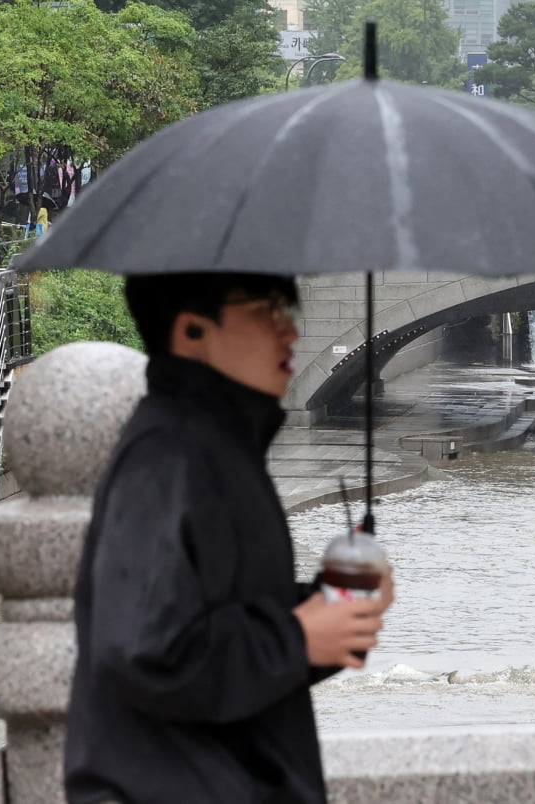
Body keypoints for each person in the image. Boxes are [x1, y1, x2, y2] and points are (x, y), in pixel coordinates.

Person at [65, 272, 395, 804]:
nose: (290, 332)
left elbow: (222, 617)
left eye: (289, 311)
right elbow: (144, 652)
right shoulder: (169, 456)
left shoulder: (217, 446)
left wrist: (328, 606)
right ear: (192, 331)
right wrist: (297, 637)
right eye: (267, 312)